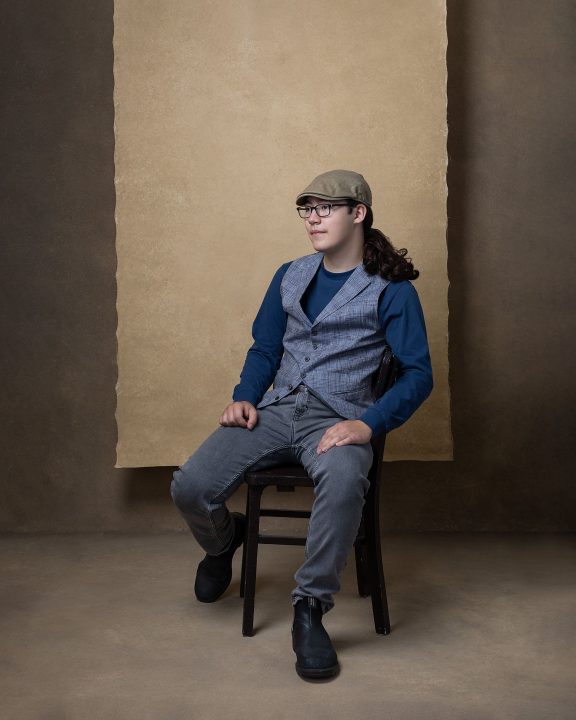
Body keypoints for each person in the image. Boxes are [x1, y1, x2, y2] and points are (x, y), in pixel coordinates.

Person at [171, 169, 433, 680]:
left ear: (357, 214)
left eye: (326, 207)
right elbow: (266, 348)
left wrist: (368, 424)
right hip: (276, 409)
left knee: (342, 483)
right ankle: (224, 542)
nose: (313, 217)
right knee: (190, 486)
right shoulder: (289, 274)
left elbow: (418, 375)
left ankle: (310, 607)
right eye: (306, 208)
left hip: (340, 419)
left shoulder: (392, 290)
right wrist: (245, 397)